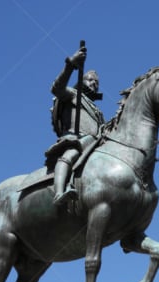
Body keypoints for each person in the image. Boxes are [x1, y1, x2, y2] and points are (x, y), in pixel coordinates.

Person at [45, 45, 105, 206]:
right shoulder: (72, 94)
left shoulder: (97, 111)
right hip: (77, 140)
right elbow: (56, 88)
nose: (94, 84)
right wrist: (71, 65)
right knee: (70, 155)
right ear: (82, 80)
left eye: (97, 82)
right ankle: (59, 193)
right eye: (90, 80)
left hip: (95, 145)